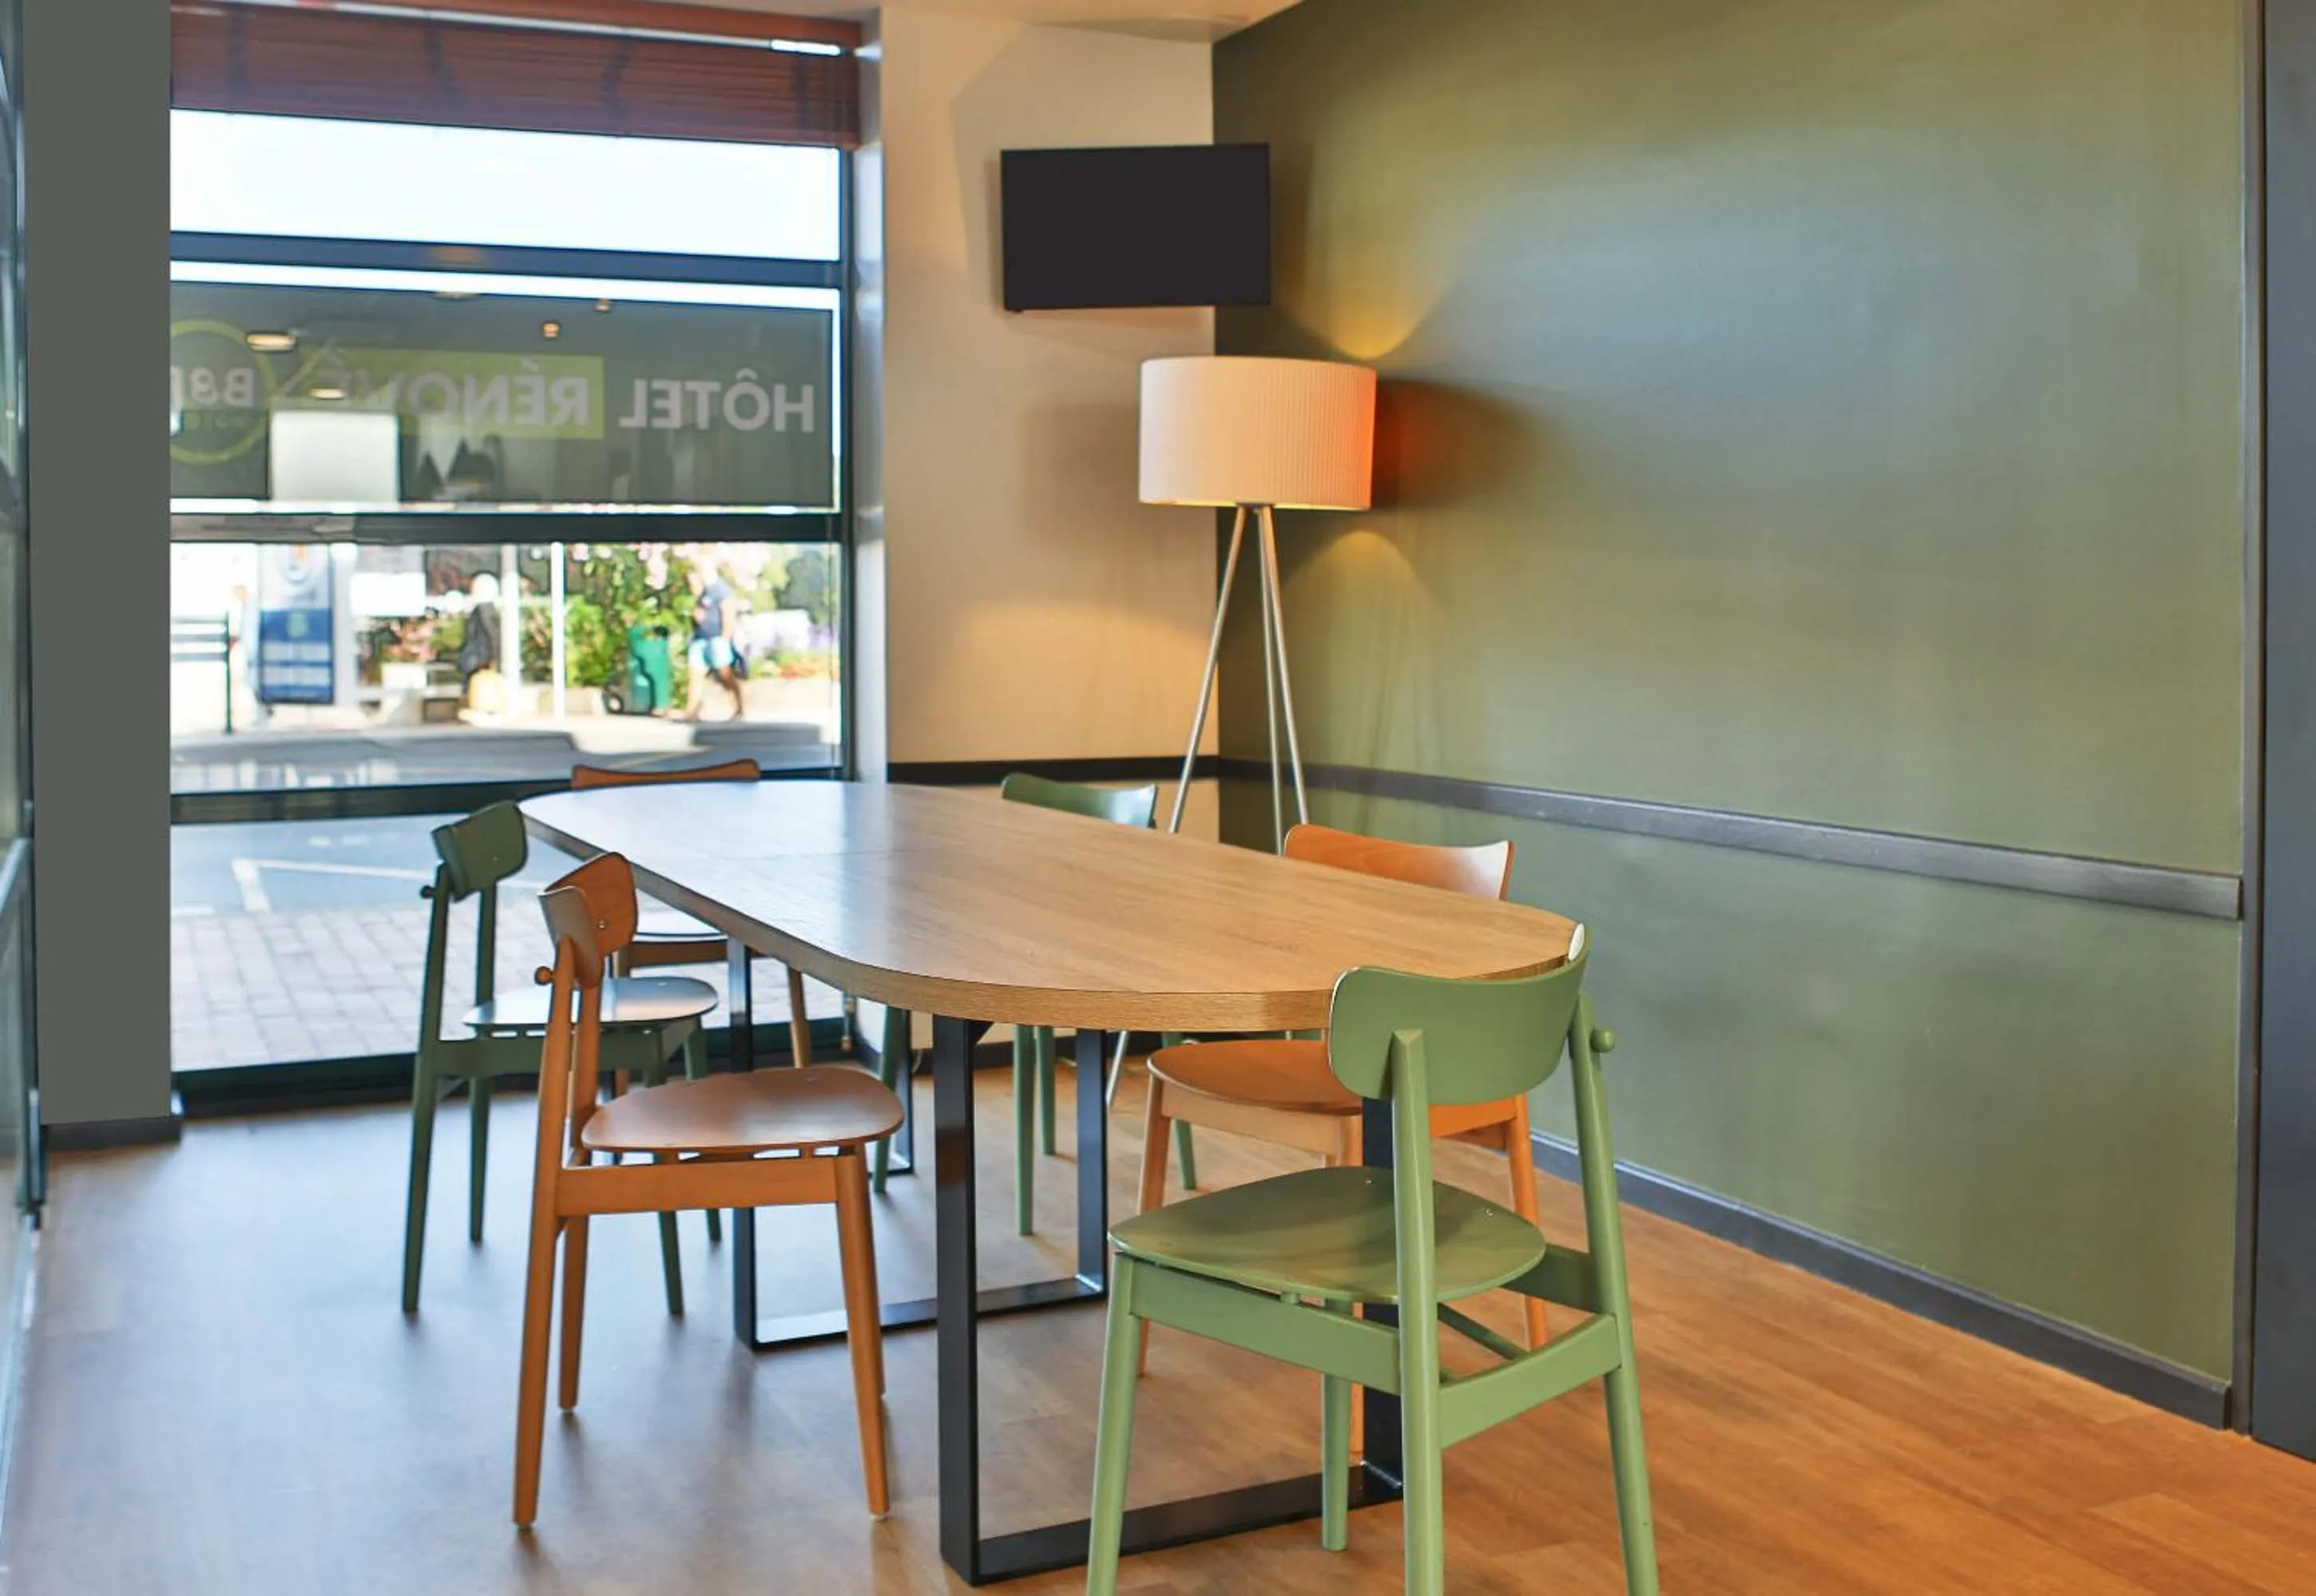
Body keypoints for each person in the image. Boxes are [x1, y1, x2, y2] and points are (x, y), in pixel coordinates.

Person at [683, 560, 744, 722]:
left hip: (716, 637)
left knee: (725, 675)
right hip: (700, 638)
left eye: (701, 569)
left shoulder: (721, 589)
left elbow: (728, 612)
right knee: (695, 674)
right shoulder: (705, 592)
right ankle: (692, 711)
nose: (699, 573)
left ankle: (739, 707)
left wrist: (725, 637)